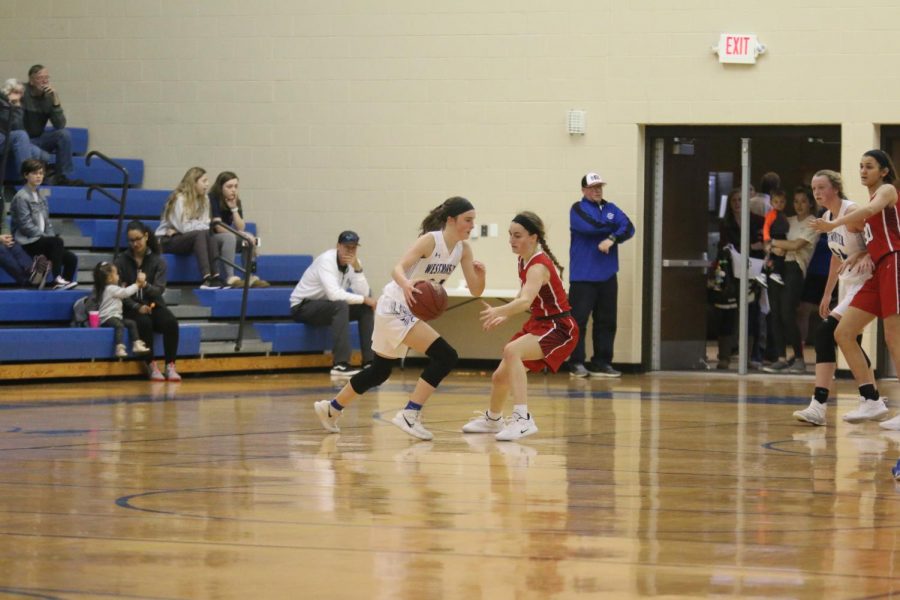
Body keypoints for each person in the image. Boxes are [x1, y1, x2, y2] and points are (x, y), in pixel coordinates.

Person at [313, 197, 486, 440]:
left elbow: (476, 291)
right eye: (468, 220)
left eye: (473, 221)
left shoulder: (463, 250)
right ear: (451, 220)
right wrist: (406, 285)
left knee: (379, 372)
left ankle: (331, 409)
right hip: (394, 305)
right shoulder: (430, 240)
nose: (471, 225)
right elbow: (397, 268)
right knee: (446, 356)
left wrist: (482, 276)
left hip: (407, 311)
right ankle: (410, 414)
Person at [461, 211, 578, 441]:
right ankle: (493, 420)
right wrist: (506, 315)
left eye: (517, 235)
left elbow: (525, 301)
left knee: (512, 350)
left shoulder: (538, 265)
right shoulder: (524, 259)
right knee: (499, 377)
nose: (512, 240)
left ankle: (523, 419)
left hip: (559, 327)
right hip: (539, 323)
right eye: (510, 235)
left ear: (533, 237)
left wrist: (500, 310)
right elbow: (524, 294)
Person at [811, 149, 898, 425]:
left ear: (884, 171)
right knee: (843, 332)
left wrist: (834, 224)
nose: (863, 171)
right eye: (860, 166)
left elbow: (872, 211)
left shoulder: (887, 190)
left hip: (894, 263)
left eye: (869, 166)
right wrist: (863, 253)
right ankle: (870, 399)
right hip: (878, 269)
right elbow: (874, 238)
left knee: (893, 339)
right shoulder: (870, 199)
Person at [792, 170, 876, 426]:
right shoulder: (828, 217)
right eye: (814, 188)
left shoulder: (851, 212)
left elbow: (879, 240)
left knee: (826, 332)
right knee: (850, 343)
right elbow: (836, 256)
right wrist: (828, 292)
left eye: (822, 187)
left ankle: (820, 404)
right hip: (849, 286)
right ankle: (871, 398)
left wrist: (865, 254)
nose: (817, 193)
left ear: (836, 189)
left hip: (868, 284)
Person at [567, 172, 634, 378]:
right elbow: (590, 227)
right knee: (578, 321)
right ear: (584, 190)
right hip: (583, 277)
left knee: (607, 320)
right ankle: (576, 362)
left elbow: (629, 228)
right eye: (593, 187)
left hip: (607, 275)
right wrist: (614, 228)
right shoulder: (577, 209)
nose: (597, 191)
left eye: (599, 187)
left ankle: (602, 362)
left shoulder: (611, 208)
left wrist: (613, 237)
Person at [289, 230, 375, 377]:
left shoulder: (354, 263)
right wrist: (365, 299)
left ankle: (369, 362)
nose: (350, 251)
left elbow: (364, 293)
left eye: (353, 247)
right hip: (303, 306)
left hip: (327, 306)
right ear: (338, 246)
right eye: (346, 247)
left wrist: (358, 269)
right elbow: (334, 294)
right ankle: (340, 364)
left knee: (364, 308)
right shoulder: (326, 260)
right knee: (341, 305)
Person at [115, 220, 182, 381]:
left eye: (138, 239)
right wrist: (137, 306)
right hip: (131, 307)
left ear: (146, 236)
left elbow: (159, 290)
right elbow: (119, 292)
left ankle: (170, 365)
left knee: (171, 323)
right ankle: (151, 364)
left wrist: (145, 285)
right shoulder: (121, 260)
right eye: (131, 240)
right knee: (144, 323)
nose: (135, 243)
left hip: (154, 303)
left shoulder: (158, 261)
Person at [763, 186, 820, 374]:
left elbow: (796, 245)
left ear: (811, 202)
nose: (799, 205)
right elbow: (768, 241)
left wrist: (774, 244)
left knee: (788, 312)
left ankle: (799, 358)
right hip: (777, 265)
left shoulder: (813, 223)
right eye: (796, 201)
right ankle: (780, 357)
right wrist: (773, 246)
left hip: (795, 268)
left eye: (804, 201)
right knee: (776, 312)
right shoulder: (786, 220)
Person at [10, 159, 78, 289]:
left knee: (71, 258)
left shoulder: (41, 197)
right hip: (27, 241)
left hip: (41, 240)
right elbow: (25, 225)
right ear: (26, 175)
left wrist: (48, 236)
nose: (38, 176)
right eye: (34, 173)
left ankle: (63, 284)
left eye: (41, 173)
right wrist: (46, 238)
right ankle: (57, 278)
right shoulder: (21, 197)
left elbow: (47, 223)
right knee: (57, 242)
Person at [155, 167, 227, 289]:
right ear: (193, 182)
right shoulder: (179, 199)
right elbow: (185, 227)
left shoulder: (205, 199)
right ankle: (206, 278)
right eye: (204, 181)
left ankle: (216, 276)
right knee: (201, 233)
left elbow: (206, 224)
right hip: (167, 240)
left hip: (184, 237)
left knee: (208, 233)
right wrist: (194, 225)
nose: (207, 184)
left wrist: (192, 224)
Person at [21, 65, 82, 186]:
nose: (44, 81)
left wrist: (56, 101)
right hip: (21, 140)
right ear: (31, 81)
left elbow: (60, 125)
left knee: (64, 134)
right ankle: (44, 173)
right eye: (40, 78)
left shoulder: (49, 98)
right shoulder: (22, 92)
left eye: (46, 78)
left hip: (37, 139)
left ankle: (62, 176)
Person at [208, 171, 269, 288]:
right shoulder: (213, 198)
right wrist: (240, 234)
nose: (233, 190)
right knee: (230, 237)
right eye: (229, 187)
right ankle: (230, 277)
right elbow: (219, 227)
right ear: (220, 187)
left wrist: (234, 209)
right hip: (211, 237)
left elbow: (241, 227)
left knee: (251, 239)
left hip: (227, 235)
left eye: (236, 186)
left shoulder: (236, 201)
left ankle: (249, 277)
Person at [92, 262, 151, 358]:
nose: (118, 275)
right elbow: (125, 293)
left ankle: (136, 343)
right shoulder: (110, 288)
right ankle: (119, 347)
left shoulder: (111, 289)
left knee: (131, 323)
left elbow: (123, 292)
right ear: (110, 278)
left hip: (115, 316)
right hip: (107, 317)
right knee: (119, 325)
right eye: (116, 274)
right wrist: (137, 285)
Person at [0, 78, 46, 178]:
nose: (19, 96)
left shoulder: (14, 104)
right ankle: (28, 178)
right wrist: (14, 107)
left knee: (38, 153)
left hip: (7, 139)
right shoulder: (2, 103)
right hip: (2, 138)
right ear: (8, 91)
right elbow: (9, 123)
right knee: (20, 135)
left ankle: (35, 177)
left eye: (21, 93)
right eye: (16, 92)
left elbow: (17, 127)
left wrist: (16, 106)